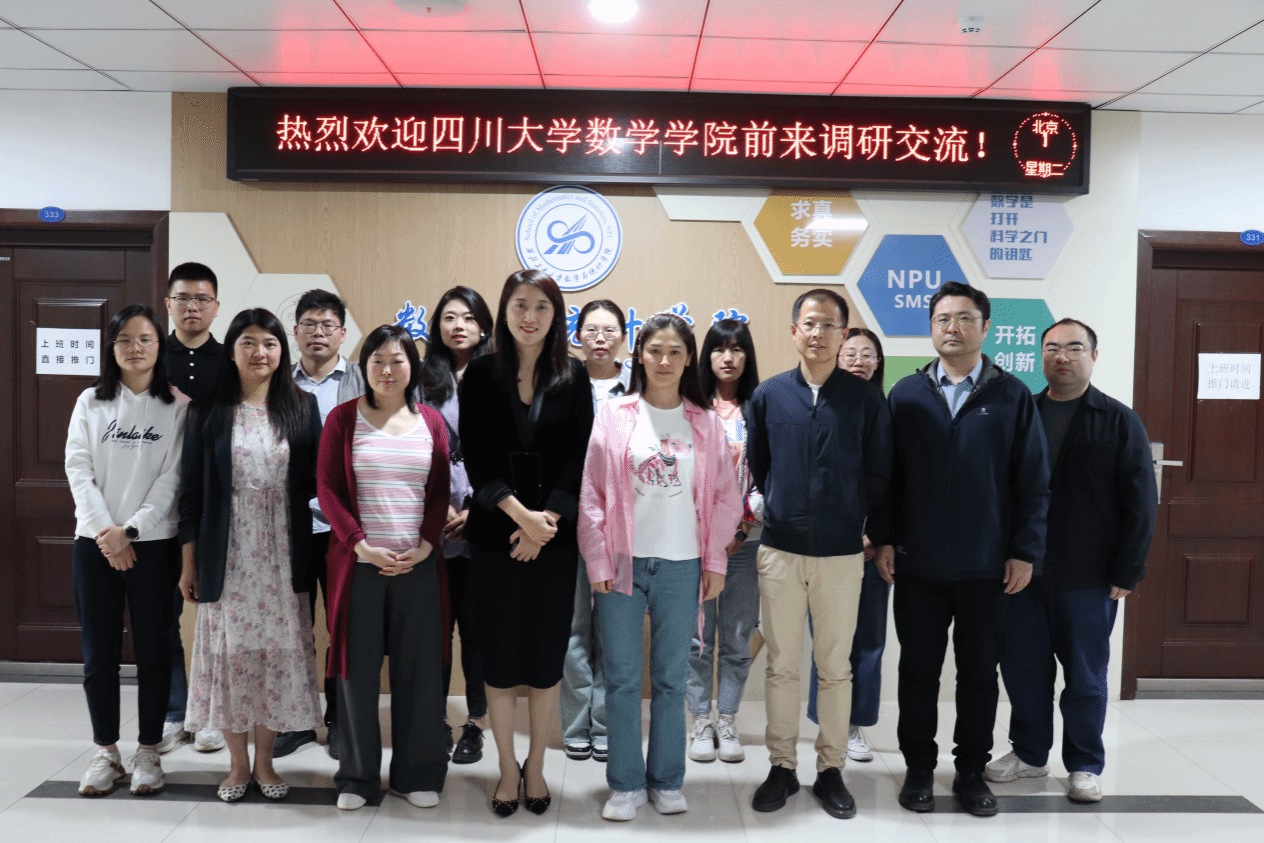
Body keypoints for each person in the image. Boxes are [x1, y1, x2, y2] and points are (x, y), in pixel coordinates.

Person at [881, 281, 1049, 818]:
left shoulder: (1011, 395)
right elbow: (887, 478)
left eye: (964, 318)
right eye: (942, 319)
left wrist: (1024, 550)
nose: (952, 328)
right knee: (918, 674)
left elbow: (1033, 480)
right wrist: (884, 539)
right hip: (918, 565)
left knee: (978, 676)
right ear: (931, 328)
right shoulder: (906, 394)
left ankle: (971, 772)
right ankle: (919, 769)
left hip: (987, 567)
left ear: (985, 326)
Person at [986, 318, 1157, 803]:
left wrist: (1128, 568)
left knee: (1085, 676)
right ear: (1041, 356)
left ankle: (1083, 763)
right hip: (1023, 573)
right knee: (1024, 671)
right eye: (1052, 348)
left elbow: (1142, 501)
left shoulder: (1119, 420)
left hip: (1090, 575)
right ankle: (1029, 754)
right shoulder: (1022, 413)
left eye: (1074, 348)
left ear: (1093, 356)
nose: (1062, 356)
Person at [580, 312, 742, 821]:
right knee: (623, 679)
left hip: (683, 566)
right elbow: (592, 493)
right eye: (655, 351)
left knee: (672, 679)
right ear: (640, 355)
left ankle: (668, 780)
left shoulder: (706, 422)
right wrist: (598, 558)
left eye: (675, 352)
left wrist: (715, 560)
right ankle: (626, 783)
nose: (665, 361)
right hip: (623, 564)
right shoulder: (614, 415)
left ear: (689, 358)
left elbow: (725, 497)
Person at [746, 290, 893, 820]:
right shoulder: (769, 395)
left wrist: (857, 523)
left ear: (843, 334)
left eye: (829, 325)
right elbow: (760, 464)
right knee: (782, 666)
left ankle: (831, 769)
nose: (818, 334)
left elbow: (879, 472)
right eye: (809, 324)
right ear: (794, 331)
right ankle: (782, 766)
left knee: (834, 668)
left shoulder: (864, 400)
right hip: (780, 551)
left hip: (840, 556)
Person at [458, 269, 594, 817]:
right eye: (520, 305)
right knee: (498, 659)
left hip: (554, 543)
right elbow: (476, 453)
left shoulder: (574, 375)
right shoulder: (480, 373)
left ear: (555, 315)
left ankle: (536, 765)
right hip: (495, 536)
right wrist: (520, 516)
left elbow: (582, 455)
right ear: (504, 311)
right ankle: (507, 767)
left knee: (544, 659)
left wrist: (546, 522)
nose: (530, 316)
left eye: (541, 306)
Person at [177, 308, 324, 802]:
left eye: (270, 344)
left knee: (274, 659)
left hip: (283, 552)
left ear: (282, 351)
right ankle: (237, 765)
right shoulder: (207, 411)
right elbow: (191, 495)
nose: (260, 353)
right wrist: (189, 563)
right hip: (227, 553)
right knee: (231, 657)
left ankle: (266, 762)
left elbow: (317, 482)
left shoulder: (302, 406)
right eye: (248, 343)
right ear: (232, 350)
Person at [318, 325, 452, 810]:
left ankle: (417, 774)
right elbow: (328, 490)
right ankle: (357, 777)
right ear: (365, 367)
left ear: (412, 367)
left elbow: (439, 492)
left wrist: (426, 544)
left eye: (398, 360)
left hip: (418, 566)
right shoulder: (342, 419)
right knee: (356, 674)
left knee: (420, 673)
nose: (387, 370)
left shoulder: (432, 422)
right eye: (377, 361)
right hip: (360, 567)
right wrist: (360, 545)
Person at [65, 305, 190, 797]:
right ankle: (106, 752)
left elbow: (172, 479)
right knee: (99, 652)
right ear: (112, 347)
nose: (135, 348)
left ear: (160, 346)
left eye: (145, 339)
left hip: (153, 546)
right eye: (124, 340)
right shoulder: (90, 403)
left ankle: (148, 751)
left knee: (154, 651)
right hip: (94, 545)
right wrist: (107, 533)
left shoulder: (177, 406)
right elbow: (78, 469)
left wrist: (131, 531)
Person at [277, 288, 366, 760]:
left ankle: (339, 719)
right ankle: (296, 720)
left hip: (344, 527)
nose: (318, 333)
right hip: (290, 525)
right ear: (295, 332)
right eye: (309, 324)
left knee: (342, 626)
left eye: (327, 325)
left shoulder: (361, 380)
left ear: (342, 333)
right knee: (293, 625)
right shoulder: (278, 382)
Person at [805, 329, 890, 763]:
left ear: (878, 363)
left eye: (867, 354)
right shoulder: (818, 409)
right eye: (850, 353)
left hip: (873, 548)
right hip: (827, 546)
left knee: (869, 640)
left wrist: (877, 533)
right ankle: (828, 721)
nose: (858, 360)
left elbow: (894, 482)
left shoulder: (888, 410)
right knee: (829, 641)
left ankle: (854, 724)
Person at [421, 286, 494, 764]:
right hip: (433, 520)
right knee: (434, 630)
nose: (459, 325)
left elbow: (508, 452)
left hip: (486, 517)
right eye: (449, 317)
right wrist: (440, 508)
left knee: (476, 631)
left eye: (468, 317)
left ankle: (476, 723)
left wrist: (478, 511)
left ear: (484, 326)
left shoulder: (500, 376)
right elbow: (410, 445)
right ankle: (435, 721)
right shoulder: (420, 379)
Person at [686, 318, 762, 764]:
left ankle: (727, 719)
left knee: (737, 636)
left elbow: (769, 474)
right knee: (697, 639)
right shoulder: (690, 407)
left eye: (737, 349)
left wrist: (742, 527)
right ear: (707, 356)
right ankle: (700, 719)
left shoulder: (761, 406)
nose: (728, 358)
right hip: (695, 544)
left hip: (745, 544)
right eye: (719, 349)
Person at [159, 261, 225, 755]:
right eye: (183, 298)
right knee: (161, 614)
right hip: (159, 505)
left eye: (201, 299)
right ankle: (174, 710)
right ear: (169, 304)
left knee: (218, 615)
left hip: (217, 505)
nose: (192, 307)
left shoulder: (233, 361)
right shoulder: (149, 356)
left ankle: (213, 713)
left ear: (215, 306)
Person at [560, 299, 630, 764]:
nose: (600, 338)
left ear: (624, 336)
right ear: (577, 336)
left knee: (614, 625)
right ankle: (575, 722)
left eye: (609, 330)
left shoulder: (640, 385)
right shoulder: (563, 384)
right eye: (591, 330)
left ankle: (606, 722)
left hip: (623, 523)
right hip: (569, 518)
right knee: (573, 627)